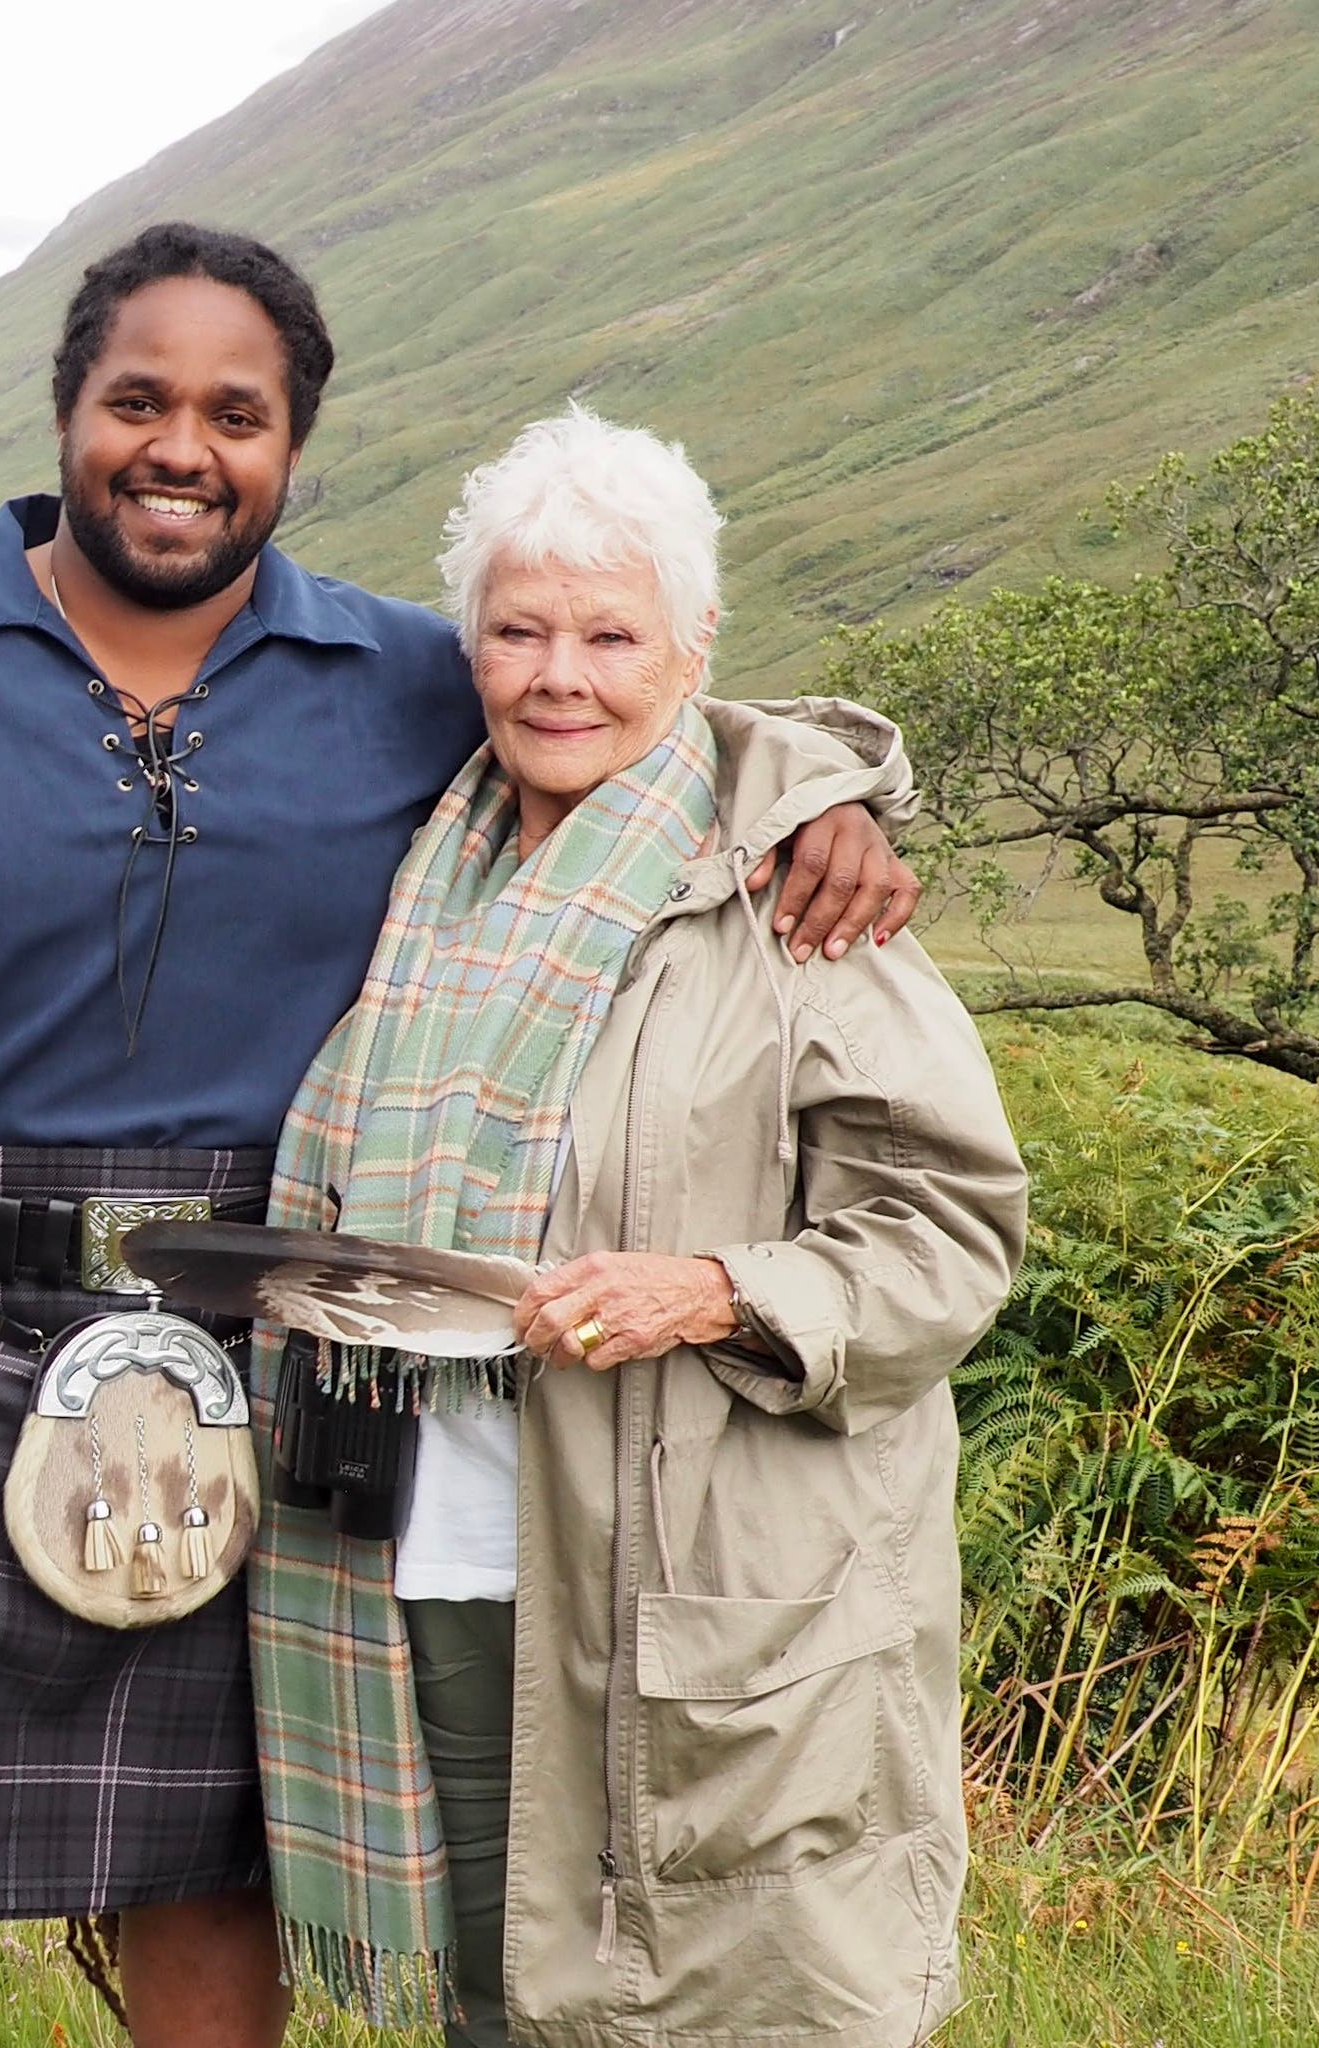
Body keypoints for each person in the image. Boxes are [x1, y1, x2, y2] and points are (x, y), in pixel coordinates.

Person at [0, 223, 918, 2048]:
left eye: (237, 412)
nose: (181, 448)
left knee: (214, 1874)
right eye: (139, 400)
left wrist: (834, 801)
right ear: (67, 414)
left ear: (293, 446)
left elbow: (636, 717)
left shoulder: (403, 683)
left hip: (261, 1339)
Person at [248, 407, 1027, 2048]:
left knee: (726, 2006)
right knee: (496, 1994)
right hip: (431, 1543)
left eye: (612, 634)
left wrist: (721, 1289)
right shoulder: (425, 870)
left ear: (697, 648)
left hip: (715, 1578)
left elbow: (949, 1229)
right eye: (520, 631)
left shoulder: (797, 897)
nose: (560, 676)